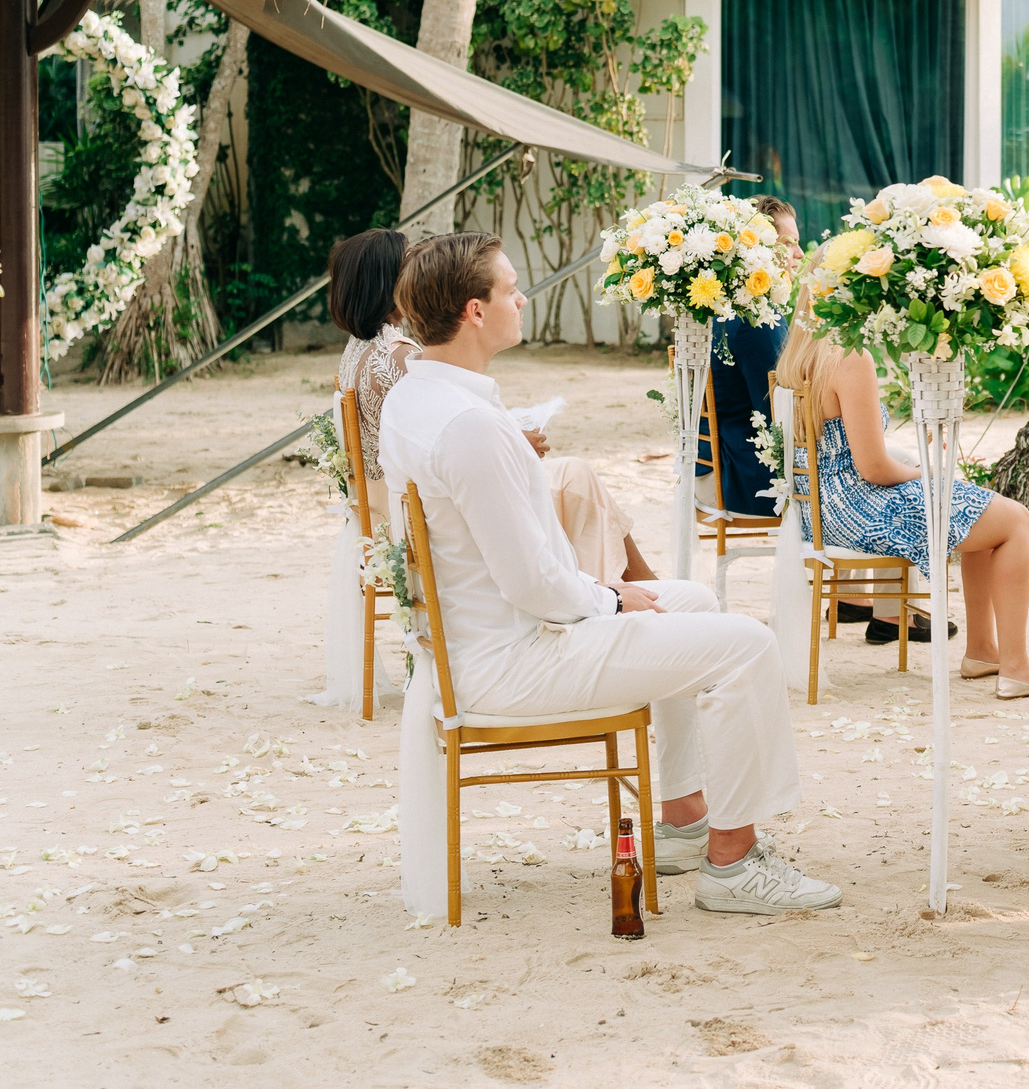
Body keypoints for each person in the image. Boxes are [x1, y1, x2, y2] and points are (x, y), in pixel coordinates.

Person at [378, 232, 836, 912]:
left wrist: (610, 593)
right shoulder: (468, 425)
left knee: (693, 601)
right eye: (511, 289)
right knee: (747, 645)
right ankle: (735, 864)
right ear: (475, 311)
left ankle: (685, 818)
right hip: (512, 658)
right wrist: (612, 602)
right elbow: (530, 584)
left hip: (487, 637)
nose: (521, 299)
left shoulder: (416, 397)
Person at [328, 227, 650, 583]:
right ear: (388, 281)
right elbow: (446, 441)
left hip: (392, 505)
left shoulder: (359, 350)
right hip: (426, 517)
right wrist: (515, 444)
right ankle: (628, 589)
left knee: (572, 477)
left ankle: (617, 587)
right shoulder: (400, 357)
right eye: (406, 266)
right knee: (576, 478)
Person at [774, 311, 1029, 696]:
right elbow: (874, 468)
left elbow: (842, 454)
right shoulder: (849, 355)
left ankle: (983, 652)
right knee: (1016, 520)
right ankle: (1016, 667)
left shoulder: (797, 356)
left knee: (982, 513)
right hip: (859, 507)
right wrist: (927, 474)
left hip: (822, 509)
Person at [696, 196, 800, 523]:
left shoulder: (726, 307)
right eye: (789, 244)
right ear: (762, 251)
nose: (799, 254)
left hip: (712, 466)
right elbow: (780, 416)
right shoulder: (756, 321)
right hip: (742, 481)